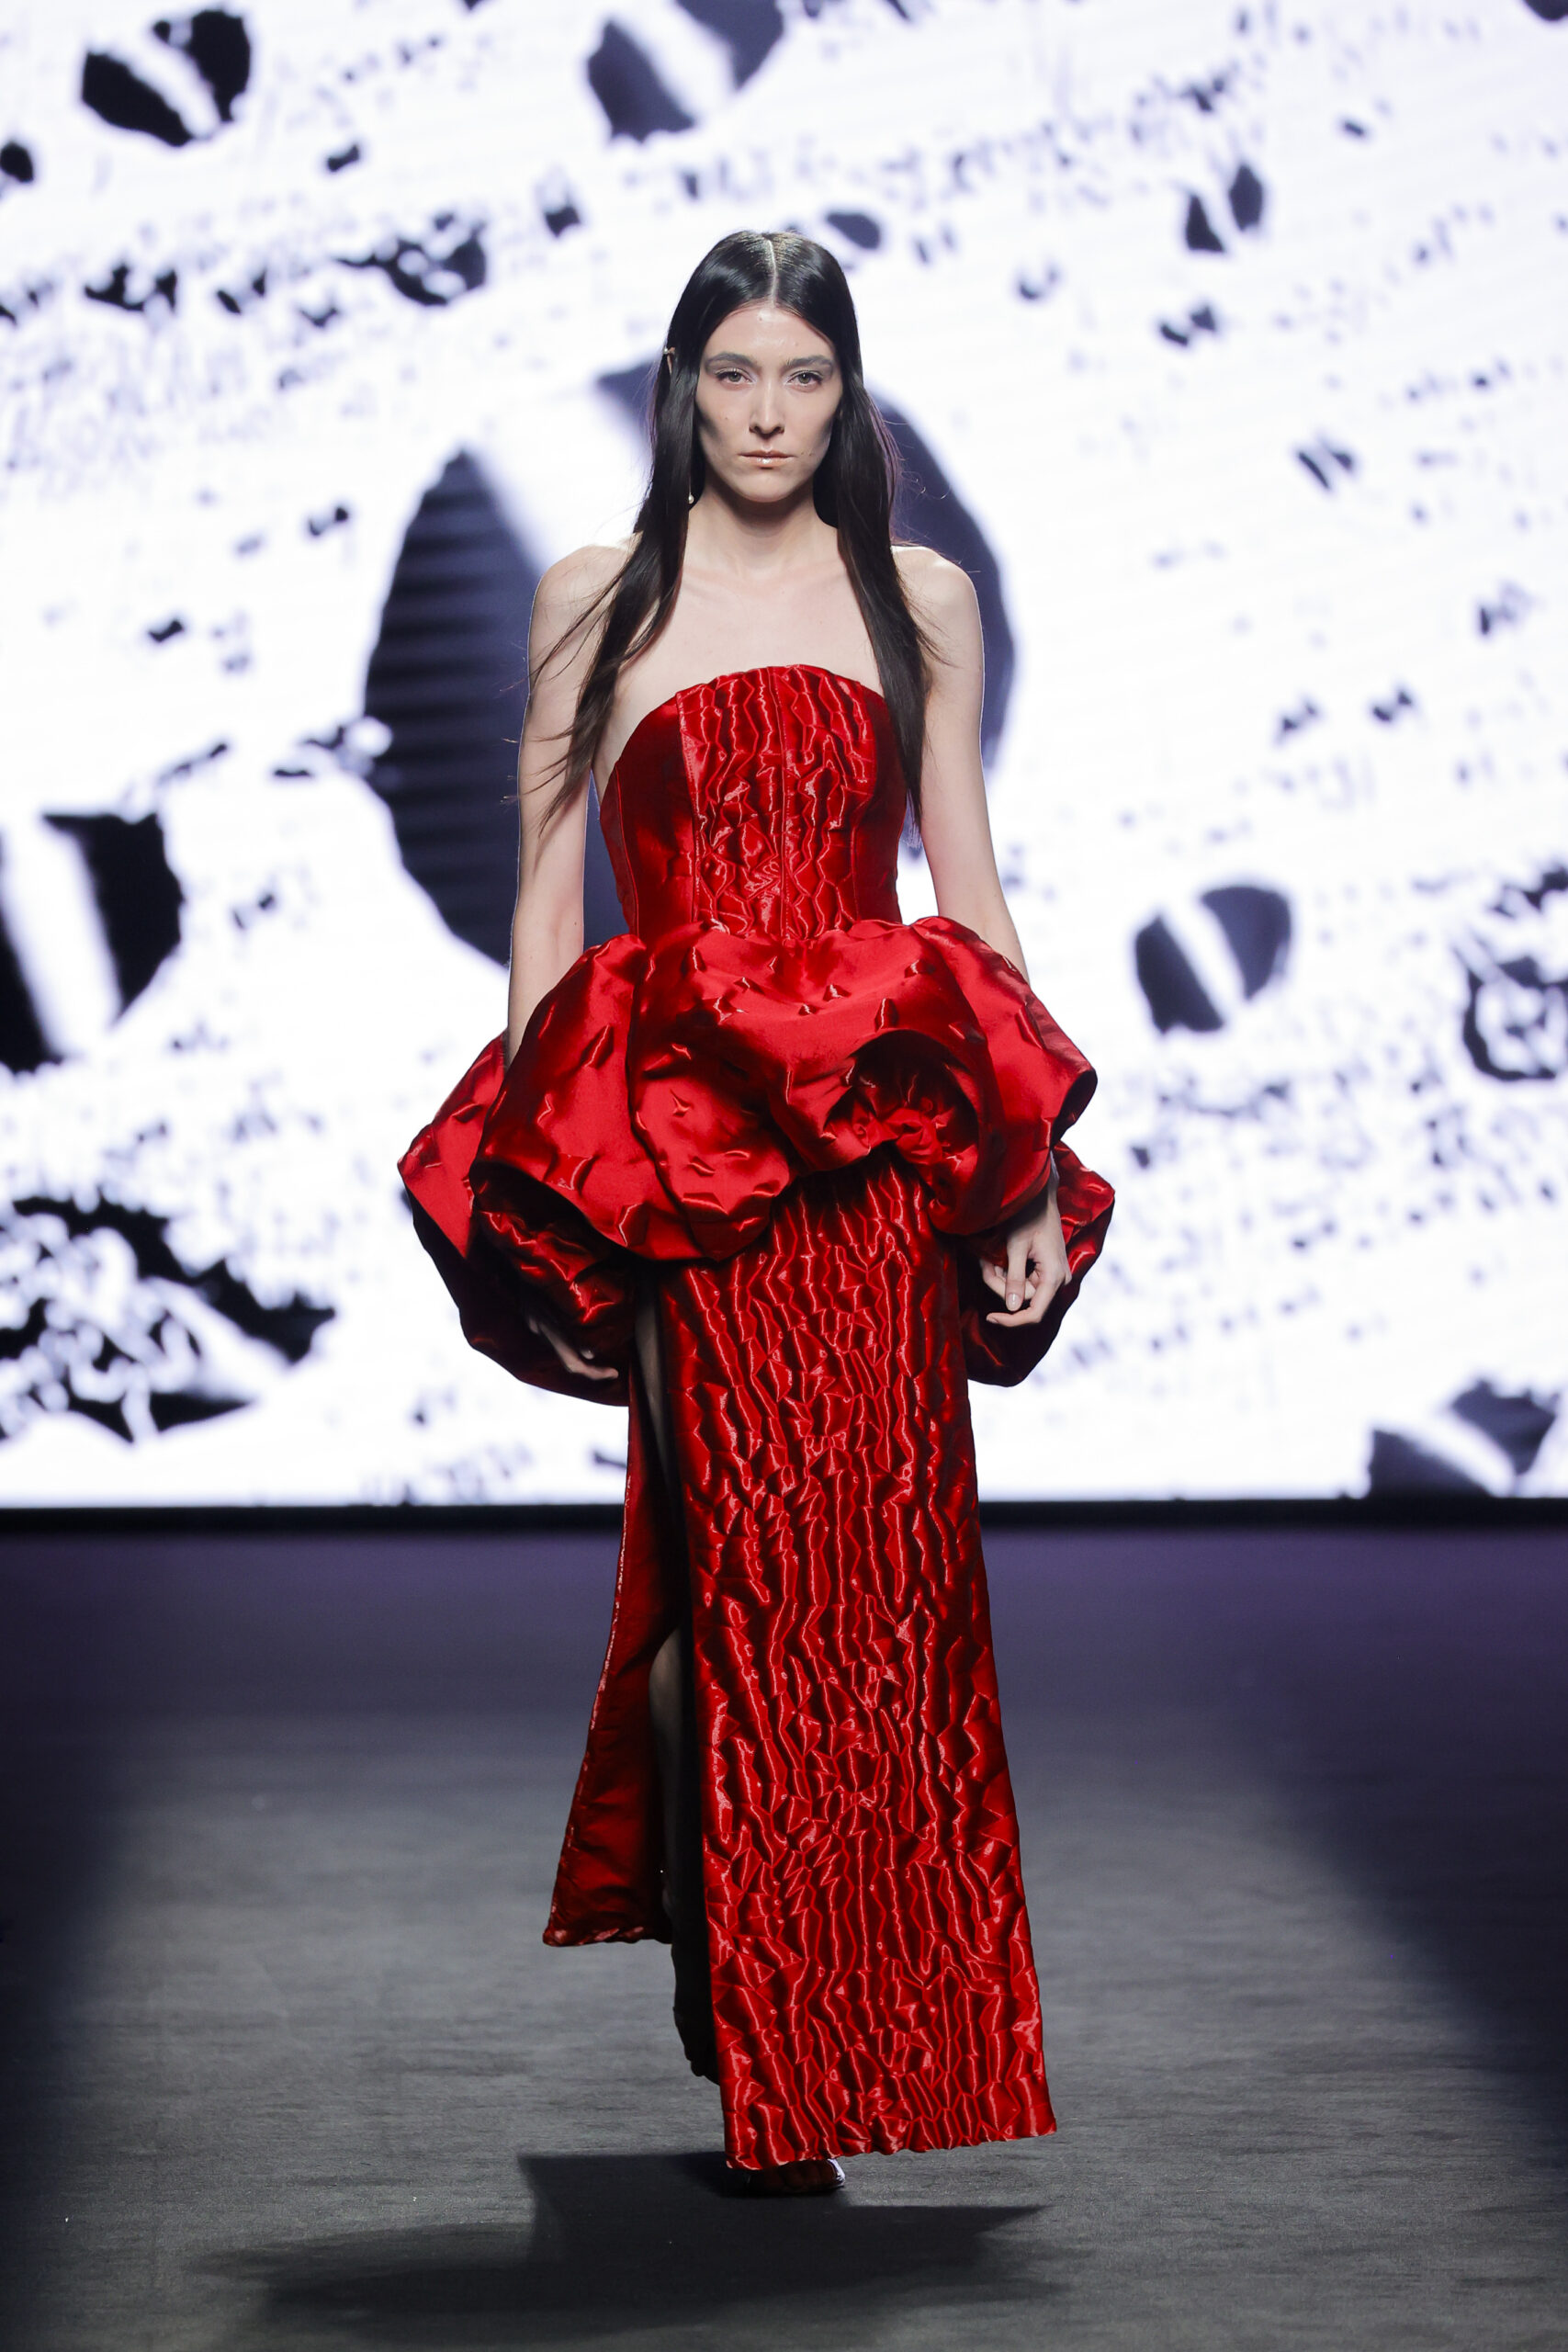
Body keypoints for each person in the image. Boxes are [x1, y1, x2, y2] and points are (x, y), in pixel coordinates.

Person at [400, 230, 1113, 2197]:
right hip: (681, 1153)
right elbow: (548, 908)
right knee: (734, 1580)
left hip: (876, 1148)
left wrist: (1019, 1166)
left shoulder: (918, 598)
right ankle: (742, 1960)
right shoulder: (597, 596)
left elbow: (964, 888)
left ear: (845, 392)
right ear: (683, 389)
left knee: (883, 1596)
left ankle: (808, 2013)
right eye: (735, 374)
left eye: (804, 374)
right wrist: (545, 1188)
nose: (770, 412)